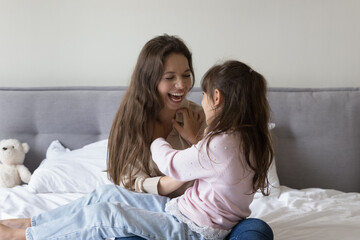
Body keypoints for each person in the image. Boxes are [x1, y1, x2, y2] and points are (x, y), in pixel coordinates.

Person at [0, 40, 273, 239]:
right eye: (170, 77)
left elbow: (180, 163)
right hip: (180, 208)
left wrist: (161, 141)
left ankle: (23, 237)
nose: (184, 86)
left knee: (108, 214)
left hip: (194, 224)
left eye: (187, 76)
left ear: (217, 98)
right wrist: (172, 177)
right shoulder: (236, 137)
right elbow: (131, 181)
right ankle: (31, 223)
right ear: (151, 80)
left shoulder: (206, 124)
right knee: (107, 195)